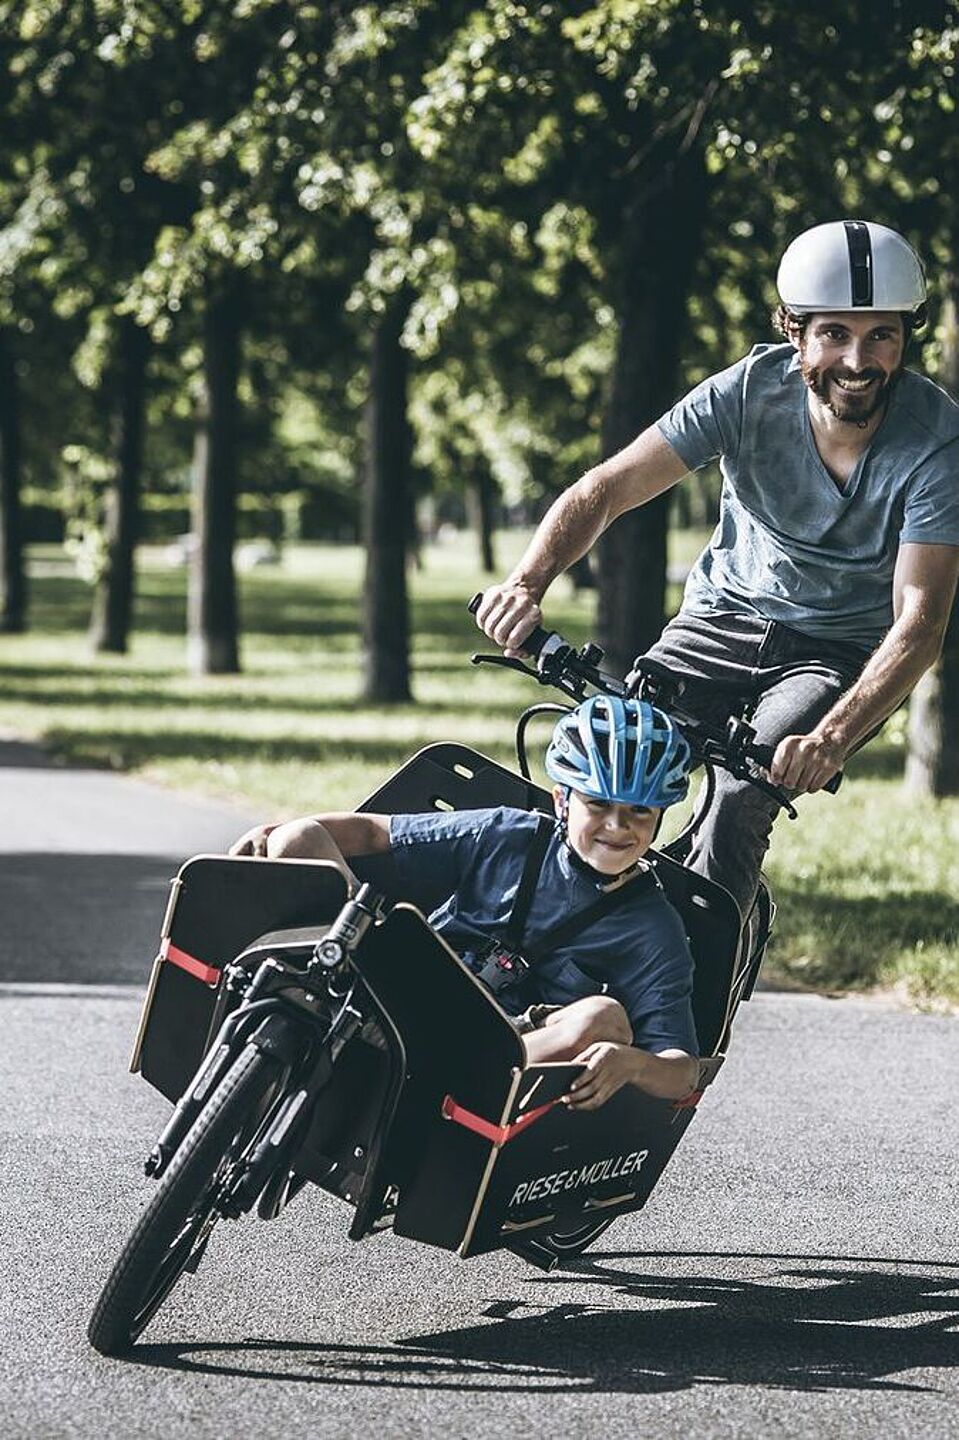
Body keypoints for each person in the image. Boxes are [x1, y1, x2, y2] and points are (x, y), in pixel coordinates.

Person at [475, 219, 959, 920]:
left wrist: (831, 737)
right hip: (719, 621)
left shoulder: (937, 443)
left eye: (880, 334)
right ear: (793, 331)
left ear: (904, 337)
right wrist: (525, 583)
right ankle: (547, 948)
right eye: (834, 334)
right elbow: (603, 490)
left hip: (831, 654)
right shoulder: (744, 394)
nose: (858, 359)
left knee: (740, 800)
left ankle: (684, 1014)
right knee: (612, 760)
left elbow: (919, 622)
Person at [231, 696, 700, 1109]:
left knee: (605, 1018)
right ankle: (312, 1001)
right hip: (404, 980)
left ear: (660, 816)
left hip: (501, 1046)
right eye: (597, 804)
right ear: (563, 800)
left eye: (639, 810)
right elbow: (373, 831)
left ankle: (439, 1087)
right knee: (299, 837)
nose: (618, 827)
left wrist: (632, 1064)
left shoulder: (653, 926)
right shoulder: (509, 833)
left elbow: (682, 1068)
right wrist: (276, 833)